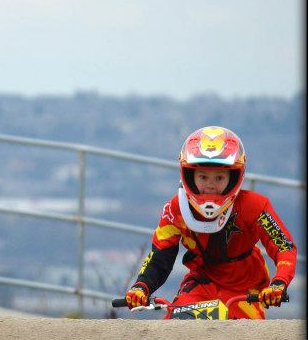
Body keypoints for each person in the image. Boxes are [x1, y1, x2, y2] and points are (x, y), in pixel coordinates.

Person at [124, 125, 297, 319]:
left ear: (234, 176)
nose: (210, 184)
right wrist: (141, 286)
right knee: (174, 325)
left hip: (246, 290)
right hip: (201, 282)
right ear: (189, 175)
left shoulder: (256, 206)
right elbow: (160, 254)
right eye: (203, 176)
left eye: (220, 177)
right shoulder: (174, 209)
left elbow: (283, 246)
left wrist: (279, 283)